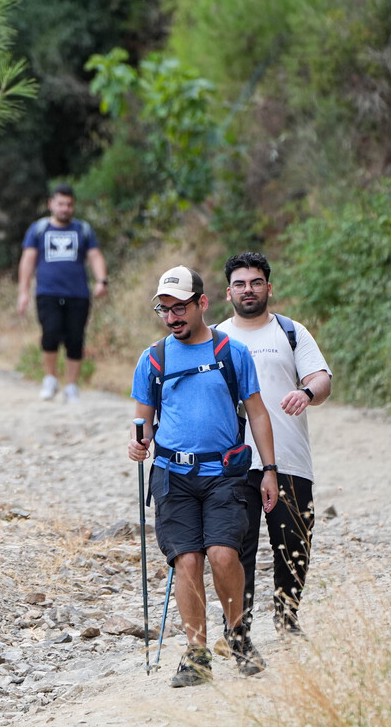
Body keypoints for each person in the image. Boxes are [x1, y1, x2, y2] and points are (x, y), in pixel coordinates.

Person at [128, 265, 279, 687]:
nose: (173, 317)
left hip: (224, 474)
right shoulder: (154, 357)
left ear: (202, 303)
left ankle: (239, 637)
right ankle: (196, 654)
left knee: (224, 555)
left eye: (181, 308)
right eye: (165, 309)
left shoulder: (232, 352)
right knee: (187, 560)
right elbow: (143, 421)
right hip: (171, 475)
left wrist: (269, 470)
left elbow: (258, 413)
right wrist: (138, 443)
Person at [217, 251, 332, 640]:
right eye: (240, 284)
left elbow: (321, 378)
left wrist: (305, 392)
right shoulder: (214, 337)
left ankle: (287, 616)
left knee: (293, 541)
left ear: (269, 287)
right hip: (232, 462)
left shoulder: (290, 331)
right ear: (227, 292)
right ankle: (238, 627)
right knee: (236, 547)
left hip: (289, 458)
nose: (248, 290)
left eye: (255, 283)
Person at [16, 184, 108, 403]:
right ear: (51, 204)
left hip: (78, 294)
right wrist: (23, 292)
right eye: (61, 204)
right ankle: (50, 379)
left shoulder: (83, 230)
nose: (65, 208)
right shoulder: (38, 230)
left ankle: (72, 386)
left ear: (73, 206)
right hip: (47, 292)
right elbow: (27, 261)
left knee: (76, 339)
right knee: (50, 333)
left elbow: (95, 256)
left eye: (69, 204)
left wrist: (101, 280)